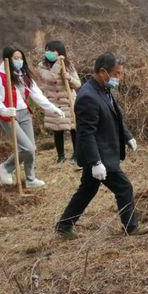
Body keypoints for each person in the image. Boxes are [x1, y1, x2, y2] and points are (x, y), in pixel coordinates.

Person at [56, 52, 139, 238]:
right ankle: (131, 226)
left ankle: (64, 224)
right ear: (103, 72)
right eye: (116, 74)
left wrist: (127, 136)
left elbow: (115, 116)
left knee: (87, 189)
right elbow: (86, 133)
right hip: (101, 155)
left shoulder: (104, 89)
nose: (119, 78)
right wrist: (95, 162)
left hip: (105, 151)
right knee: (124, 187)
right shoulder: (88, 96)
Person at [0, 44, 65, 188]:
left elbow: (37, 95)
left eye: (20, 58)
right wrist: (5, 110)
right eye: (15, 58)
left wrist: (53, 108)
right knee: (27, 148)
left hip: (24, 113)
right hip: (9, 116)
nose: (19, 60)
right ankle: (5, 168)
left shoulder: (23, 75)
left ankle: (31, 179)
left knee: (31, 148)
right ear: (7, 59)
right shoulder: (0, 77)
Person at [38, 40, 81, 164]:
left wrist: (69, 78)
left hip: (68, 100)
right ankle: (61, 156)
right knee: (57, 129)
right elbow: (50, 78)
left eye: (52, 51)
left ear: (60, 52)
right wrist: (58, 63)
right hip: (54, 102)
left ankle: (76, 155)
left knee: (73, 128)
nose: (49, 53)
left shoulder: (68, 65)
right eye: (47, 50)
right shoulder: (42, 65)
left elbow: (78, 84)